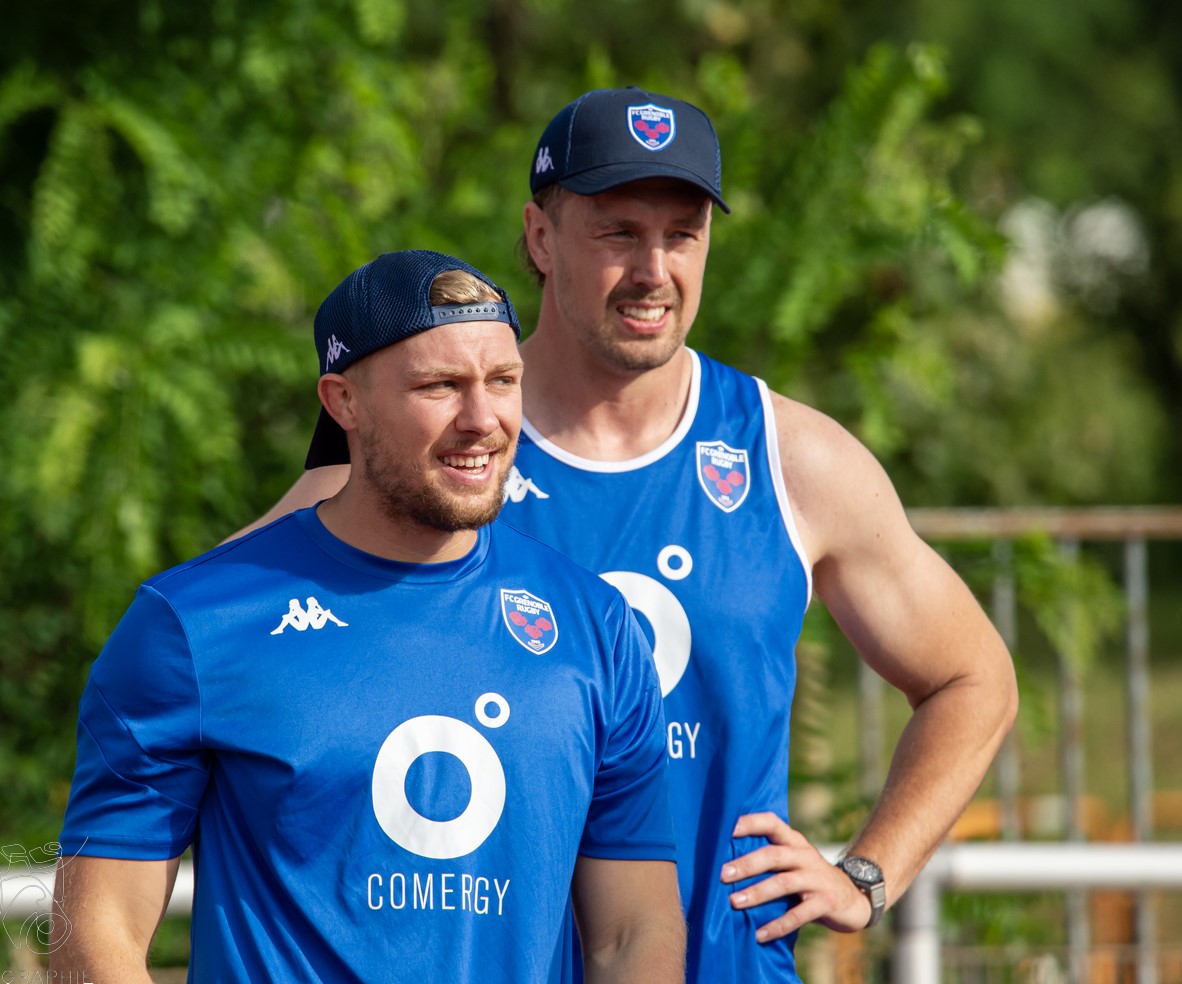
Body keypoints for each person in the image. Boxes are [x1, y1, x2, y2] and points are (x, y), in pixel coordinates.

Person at [232, 88, 1019, 981]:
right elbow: (203, 634)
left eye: (681, 235)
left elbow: (974, 678)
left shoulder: (788, 457)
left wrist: (865, 876)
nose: (655, 269)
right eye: (617, 233)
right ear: (538, 238)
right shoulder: (430, 452)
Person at [52, 249, 686, 983]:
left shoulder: (597, 627)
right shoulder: (193, 624)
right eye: (440, 385)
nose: (482, 420)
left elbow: (631, 935)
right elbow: (98, 934)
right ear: (342, 402)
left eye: (503, 381)